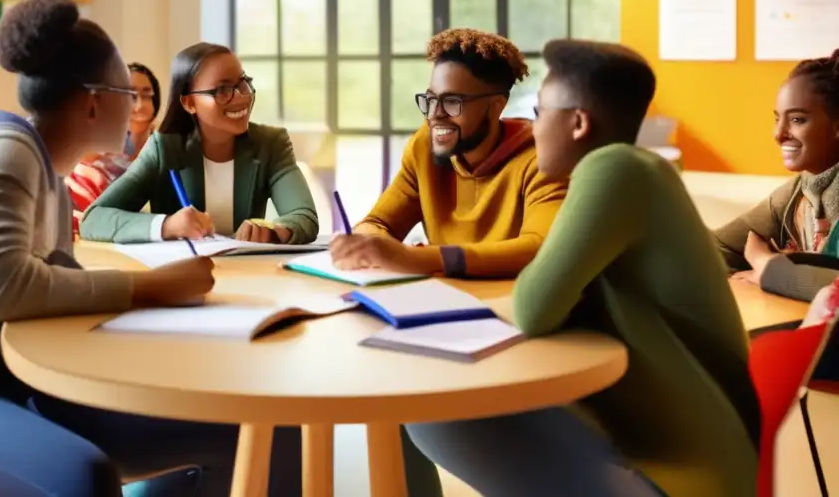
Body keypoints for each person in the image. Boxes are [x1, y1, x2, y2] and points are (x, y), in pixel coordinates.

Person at [0, 0, 301, 497]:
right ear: (94, 102)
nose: (137, 108)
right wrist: (147, 289)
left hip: (18, 378)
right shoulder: (3, 154)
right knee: (82, 476)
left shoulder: (46, 169)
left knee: (260, 430)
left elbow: (54, 283)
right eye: (126, 94)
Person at [404, 39, 759, 497]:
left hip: (683, 472)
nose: (531, 130)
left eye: (540, 113)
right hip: (678, 442)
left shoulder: (611, 170)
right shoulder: (643, 171)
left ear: (577, 122)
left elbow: (535, 306)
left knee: (436, 416)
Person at [330, 28, 568, 278]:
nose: (434, 114)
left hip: (508, 308)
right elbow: (378, 223)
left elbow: (541, 248)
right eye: (431, 100)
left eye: (452, 102)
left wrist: (414, 258)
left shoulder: (542, 159)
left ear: (497, 106)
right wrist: (370, 244)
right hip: (440, 298)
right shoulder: (423, 147)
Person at [80, 42, 318, 245]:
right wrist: (166, 225)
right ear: (188, 103)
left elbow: (304, 216)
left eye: (243, 83)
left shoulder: (271, 144)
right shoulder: (164, 148)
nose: (241, 96)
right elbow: (93, 219)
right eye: (223, 90)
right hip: (184, 275)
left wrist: (275, 231)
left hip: (251, 274)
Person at [715, 50, 839, 301]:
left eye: (797, 119)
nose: (779, 133)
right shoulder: (796, 194)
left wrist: (765, 266)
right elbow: (713, 248)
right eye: (777, 119)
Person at [66, 62, 162, 233]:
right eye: (131, 96)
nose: (139, 106)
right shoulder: (93, 154)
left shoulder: (163, 145)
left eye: (147, 95)